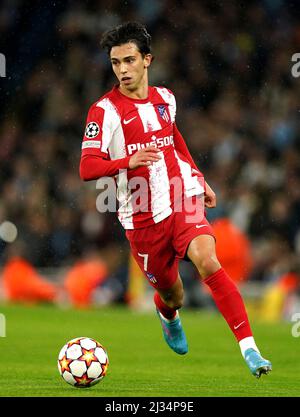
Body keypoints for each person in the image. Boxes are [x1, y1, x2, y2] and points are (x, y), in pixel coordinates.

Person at [79, 21, 272, 378]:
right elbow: (87, 167)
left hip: (181, 199)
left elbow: (175, 139)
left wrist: (198, 177)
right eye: (116, 63)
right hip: (141, 219)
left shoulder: (166, 99)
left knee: (208, 261)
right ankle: (168, 314)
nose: (123, 69)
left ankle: (251, 350)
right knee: (174, 295)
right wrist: (126, 161)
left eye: (130, 60)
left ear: (147, 60)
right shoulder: (103, 112)